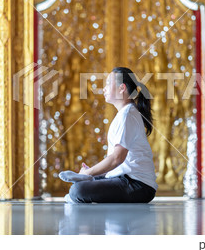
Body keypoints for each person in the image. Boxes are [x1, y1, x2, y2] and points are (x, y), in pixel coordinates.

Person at [59, 67, 158, 203]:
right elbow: (116, 163)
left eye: (107, 84)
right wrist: (92, 174)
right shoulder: (124, 113)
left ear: (122, 88)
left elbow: (117, 158)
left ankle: (77, 192)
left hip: (139, 185)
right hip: (125, 179)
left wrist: (89, 173)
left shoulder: (128, 115)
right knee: (82, 184)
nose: (103, 89)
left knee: (78, 190)